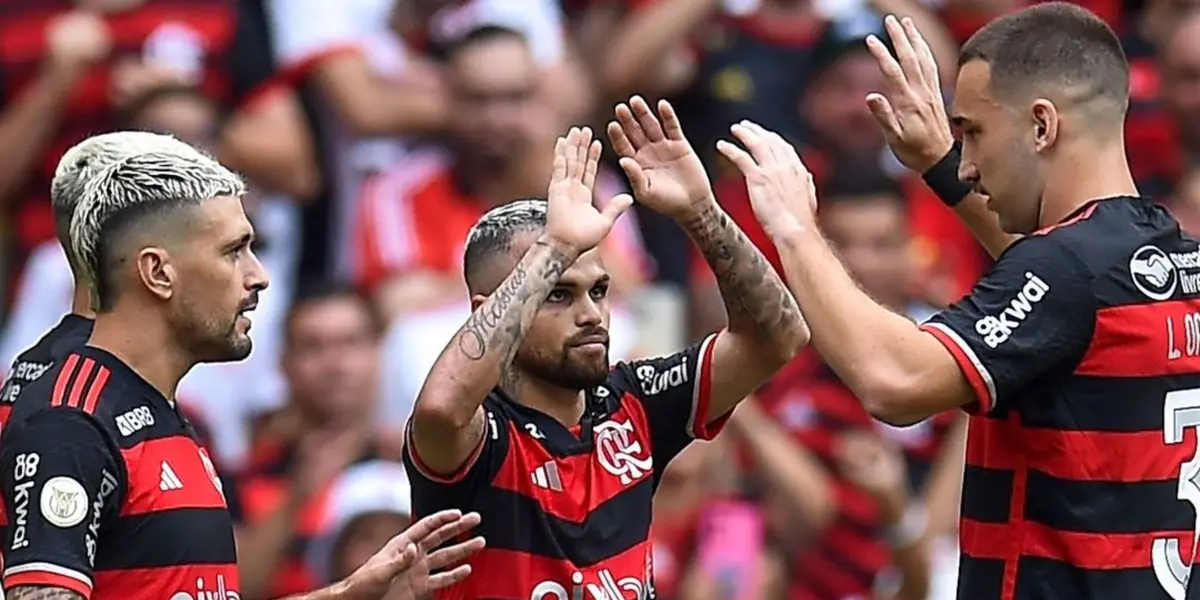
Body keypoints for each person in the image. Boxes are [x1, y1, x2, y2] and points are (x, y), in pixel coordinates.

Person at [718, 5, 1200, 600]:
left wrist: (793, 227)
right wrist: (934, 161)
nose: (968, 165)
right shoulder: (1170, 257)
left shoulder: (1067, 271)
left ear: (1042, 127)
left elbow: (892, 381)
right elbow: (1055, 278)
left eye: (973, 132)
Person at [0, 144, 484, 600]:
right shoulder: (71, 420)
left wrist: (347, 594)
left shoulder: (154, 408)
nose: (258, 276)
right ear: (159, 273)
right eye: (234, 251)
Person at [404, 104, 808, 597]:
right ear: (491, 311)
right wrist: (552, 249)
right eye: (558, 293)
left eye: (598, 291)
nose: (591, 314)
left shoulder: (635, 402)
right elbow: (441, 407)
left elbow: (780, 337)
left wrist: (699, 212)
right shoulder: (478, 436)